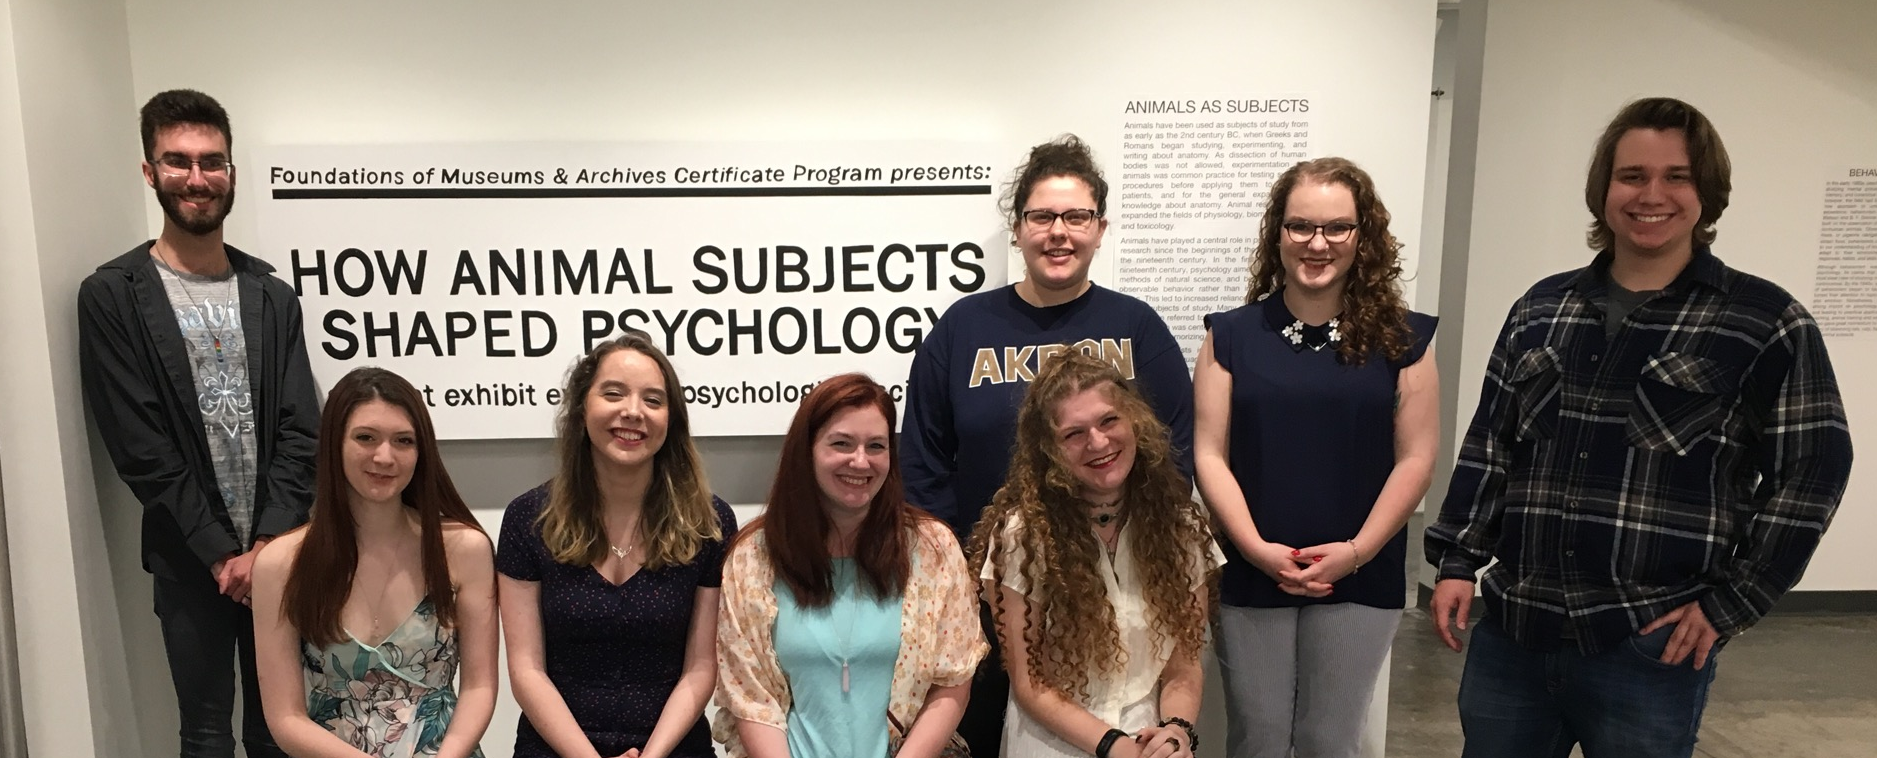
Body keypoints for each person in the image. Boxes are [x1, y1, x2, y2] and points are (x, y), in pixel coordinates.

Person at [1426, 97, 1853, 758]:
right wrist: (1457, 558)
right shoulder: (1542, 308)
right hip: (1515, 632)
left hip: (1649, 643)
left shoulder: (1762, 321)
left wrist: (1733, 602)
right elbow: (1491, 442)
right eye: (1631, 176)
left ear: (1705, 193)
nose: (1651, 194)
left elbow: (1815, 466)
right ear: (1602, 191)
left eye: (1675, 177)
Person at [901, 134, 1194, 757]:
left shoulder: (1138, 328)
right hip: (987, 593)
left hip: (1111, 599)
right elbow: (922, 462)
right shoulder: (964, 327)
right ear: (1017, 229)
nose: (1058, 231)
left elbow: (1175, 457)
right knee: (982, 739)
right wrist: (957, 578)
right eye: (1042, 216)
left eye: (1076, 217)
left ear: (1100, 227)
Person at [77, 88, 320, 758]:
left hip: (280, 555)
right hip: (189, 560)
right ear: (150, 171)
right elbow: (140, 445)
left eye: (211, 161)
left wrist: (266, 549)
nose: (196, 177)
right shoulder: (112, 296)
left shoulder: (271, 296)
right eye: (178, 161)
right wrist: (220, 553)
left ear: (232, 173)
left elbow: (303, 427)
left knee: (280, 731)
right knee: (206, 735)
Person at [1192, 157, 1440, 757]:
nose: (1318, 243)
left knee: (1330, 740)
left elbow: (1417, 458)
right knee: (1259, 738)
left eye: (1338, 228)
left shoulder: (1403, 339)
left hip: (1361, 570)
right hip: (1254, 567)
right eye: (1301, 226)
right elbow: (1208, 454)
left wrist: (1355, 553)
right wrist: (1255, 549)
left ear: (1363, 235)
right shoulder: (1230, 336)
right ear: (1277, 233)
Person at [716, 373, 986, 758]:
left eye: (876, 446)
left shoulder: (933, 549)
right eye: (841, 444)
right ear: (806, 450)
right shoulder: (754, 556)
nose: (860, 461)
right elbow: (750, 696)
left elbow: (953, 682)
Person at [967, 351, 1220, 758]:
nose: (1098, 442)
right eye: (1074, 434)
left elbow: (1184, 665)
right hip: (1053, 743)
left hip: (1149, 741)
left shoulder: (1182, 528)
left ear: (1133, 421)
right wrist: (1111, 745)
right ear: (1049, 449)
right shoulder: (1022, 536)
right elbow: (1030, 683)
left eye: (1109, 421)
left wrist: (1176, 732)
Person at [496, 333, 738, 758]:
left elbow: (701, 668)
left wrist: (655, 753)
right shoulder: (527, 519)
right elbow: (526, 670)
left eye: (653, 400)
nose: (632, 412)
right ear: (581, 408)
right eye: (613, 393)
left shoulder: (710, 523)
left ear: (671, 419)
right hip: (556, 748)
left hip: (673, 747)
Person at [251, 367, 498, 758]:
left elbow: (480, 687)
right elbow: (285, 718)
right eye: (365, 438)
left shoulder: (465, 548)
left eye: (403, 441)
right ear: (335, 443)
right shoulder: (280, 564)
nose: (384, 456)